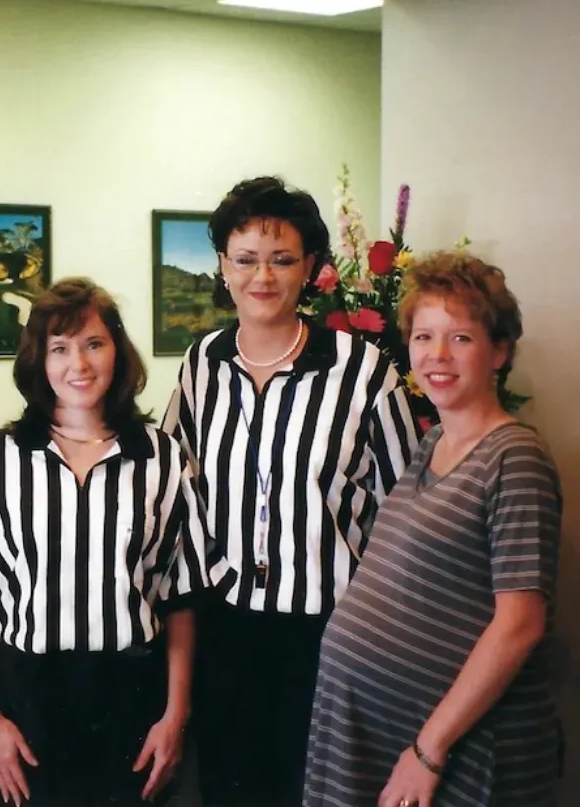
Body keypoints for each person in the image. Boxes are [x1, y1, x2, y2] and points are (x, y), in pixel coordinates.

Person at [162, 176, 417, 807]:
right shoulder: (202, 363)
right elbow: (171, 482)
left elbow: (407, 513)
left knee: (323, 792)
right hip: (224, 627)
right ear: (223, 266)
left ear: (310, 267)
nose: (262, 277)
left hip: (330, 632)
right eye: (245, 259)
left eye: (281, 260)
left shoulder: (363, 370)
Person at [304, 252, 562, 807]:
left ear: (500, 351)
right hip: (386, 732)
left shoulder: (514, 458)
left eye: (460, 338)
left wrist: (428, 751)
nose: (437, 355)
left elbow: (520, 624)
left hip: (457, 752)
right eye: (423, 337)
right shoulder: (432, 444)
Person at [0, 277, 219, 807]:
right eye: (59, 348)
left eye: (94, 343)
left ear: (118, 350)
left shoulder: (161, 458)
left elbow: (180, 599)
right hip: (28, 702)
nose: (79, 364)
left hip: (133, 698)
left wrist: (175, 716)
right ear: (38, 360)